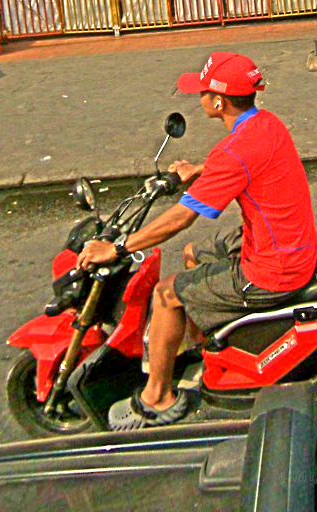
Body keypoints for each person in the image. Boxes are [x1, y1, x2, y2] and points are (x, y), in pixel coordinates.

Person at [77, 52, 317, 430]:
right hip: (288, 242)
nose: (199, 97)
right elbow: (239, 163)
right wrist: (199, 170)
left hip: (273, 269)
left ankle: (158, 398)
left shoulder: (235, 151)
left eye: (203, 92)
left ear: (219, 102)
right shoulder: (266, 125)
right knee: (193, 254)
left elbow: (181, 218)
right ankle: (198, 344)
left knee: (165, 294)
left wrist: (118, 247)